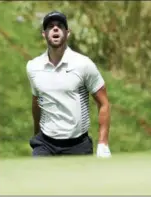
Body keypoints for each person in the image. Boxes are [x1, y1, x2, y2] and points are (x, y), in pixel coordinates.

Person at [26, 11, 111, 158]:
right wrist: (36, 134)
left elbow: (104, 103)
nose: (55, 29)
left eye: (60, 26)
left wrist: (103, 143)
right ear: (44, 34)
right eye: (50, 27)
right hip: (45, 145)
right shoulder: (33, 66)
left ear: (68, 32)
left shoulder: (83, 64)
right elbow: (36, 101)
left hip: (78, 145)